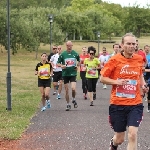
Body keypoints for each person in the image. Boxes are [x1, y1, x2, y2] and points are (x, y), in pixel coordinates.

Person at [100, 33, 148, 150]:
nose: (132, 46)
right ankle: (113, 143)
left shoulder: (139, 59)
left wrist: (143, 84)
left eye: (134, 44)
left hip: (135, 103)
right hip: (118, 104)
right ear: (122, 45)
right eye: (128, 43)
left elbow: (140, 75)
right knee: (120, 139)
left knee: (132, 134)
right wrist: (117, 82)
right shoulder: (114, 60)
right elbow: (102, 78)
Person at [57, 41, 80, 111]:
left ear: (72, 46)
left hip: (73, 73)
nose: (69, 47)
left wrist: (77, 66)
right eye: (68, 46)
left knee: (73, 88)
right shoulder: (63, 54)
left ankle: (73, 99)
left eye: (70, 46)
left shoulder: (75, 53)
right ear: (66, 46)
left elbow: (79, 61)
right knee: (66, 90)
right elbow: (58, 63)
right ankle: (68, 104)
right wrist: (62, 66)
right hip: (65, 74)